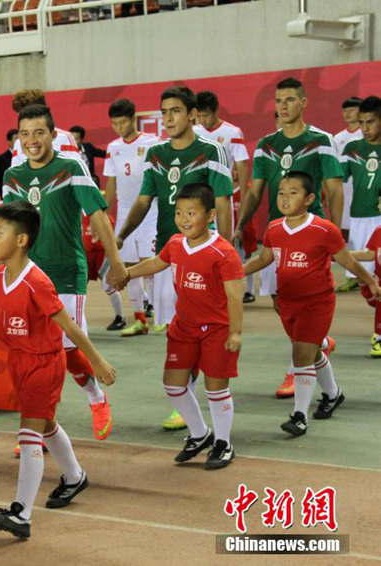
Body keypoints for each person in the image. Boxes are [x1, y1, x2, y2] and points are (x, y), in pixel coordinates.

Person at [0, 201, 115, 539]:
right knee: (47, 425)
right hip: (18, 361)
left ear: (21, 240)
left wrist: (96, 360)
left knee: (29, 433)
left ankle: (21, 512)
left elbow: (70, 326)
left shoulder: (37, 281)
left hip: (44, 363)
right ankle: (75, 476)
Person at [2, 103, 125, 440]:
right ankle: (37, 427)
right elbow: (9, 227)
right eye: (25, 134)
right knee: (32, 354)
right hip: (28, 274)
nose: (32, 140)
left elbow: (98, 215)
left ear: (53, 135)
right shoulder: (12, 176)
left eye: (39, 132)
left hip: (66, 271)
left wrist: (115, 260)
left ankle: (97, 399)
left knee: (69, 348)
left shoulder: (71, 167)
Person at [116, 86, 233, 432]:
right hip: (170, 253)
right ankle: (188, 398)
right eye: (164, 112)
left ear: (192, 115)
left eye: (176, 111)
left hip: (205, 257)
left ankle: (194, 402)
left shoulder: (212, 151)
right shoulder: (155, 153)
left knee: (202, 325)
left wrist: (223, 253)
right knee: (176, 324)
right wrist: (121, 233)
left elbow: (223, 203)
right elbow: (143, 200)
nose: (168, 118)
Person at [244, 172, 380, 436]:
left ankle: (299, 417)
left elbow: (347, 261)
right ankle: (333, 394)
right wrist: (234, 272)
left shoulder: (324, 229)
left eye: (293, 193)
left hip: (317, 303)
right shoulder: (273, 228)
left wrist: (370, 282)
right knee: (311, 353)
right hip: (287, 302)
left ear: (309, 199)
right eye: (281, 192)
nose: (285, 197)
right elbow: (263, 260)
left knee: (301, 356)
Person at [234, 77, 344, 399]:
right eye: (279, 101)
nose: (283, 107)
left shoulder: (321, 140)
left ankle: (297, 369)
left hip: (310, 237)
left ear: (304, 103)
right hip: (275, 236)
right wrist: (240, 225)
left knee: (302, 303)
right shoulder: (266, 145)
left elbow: (335, 189)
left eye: (290, 100)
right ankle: (319, 342)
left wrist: (332, 235)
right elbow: (255, 190)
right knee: (282, 304)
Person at [123, 184, 244, 468]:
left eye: (192, 213)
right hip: (184, 328)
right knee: (173, 385)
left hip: (217, 330)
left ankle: (224, 444)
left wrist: (236, 332)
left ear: (211, 215)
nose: (184, 219)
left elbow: (235, 295)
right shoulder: (176, 243)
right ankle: (200, 434)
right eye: (179, 213)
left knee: (216, 389)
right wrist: (126, 274)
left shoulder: (223, 252)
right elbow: (156, 262)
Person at [102, 98, 160, 338]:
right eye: (114, 123)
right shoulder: (112, 148)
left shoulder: (153, 143)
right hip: (125, 213)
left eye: (123, 122)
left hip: (150, 211)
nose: (119, 127)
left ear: (133, 118)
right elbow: (112, 182)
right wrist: (103, 213)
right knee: (127, 268)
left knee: (153, 265)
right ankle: (139, 320)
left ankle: (163, 316)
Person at [192, 91, 254, 302]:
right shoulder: (193, 132)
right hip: (198, 202)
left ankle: (229, 294)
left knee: (224, 246)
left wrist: (244, 202)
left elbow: (243, 168)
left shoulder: (232, 132)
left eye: (206, 115)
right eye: (199, 116)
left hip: (222, 199)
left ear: (216, 111)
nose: (203, 121)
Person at [340, 97, 379, 293]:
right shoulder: (352, 148)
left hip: (379, 214)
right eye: (362, 122)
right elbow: (338, 178)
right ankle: (353, 279)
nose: (365, 128)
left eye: (370, 122)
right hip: (358, 213)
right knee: (359, 256)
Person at [333, 96, 364, 282]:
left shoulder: (366, 135)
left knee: (364, 234)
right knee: (347, 235)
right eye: (345, 110)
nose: (348, 113)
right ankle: (352, 276)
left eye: (352, 109)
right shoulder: (338, 138)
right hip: (344, 192)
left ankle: (369, 273)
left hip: (362, 192)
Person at [9, 89, 82, 168]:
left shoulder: (63, 137)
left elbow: (76, 169)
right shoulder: (18, 143)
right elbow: (16, 173)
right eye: (21, 115)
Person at [352, 224, 381, 357]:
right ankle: (379, 338)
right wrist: (338, 254)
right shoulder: (379, 231)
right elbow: (370, 254)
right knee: (373, 296)